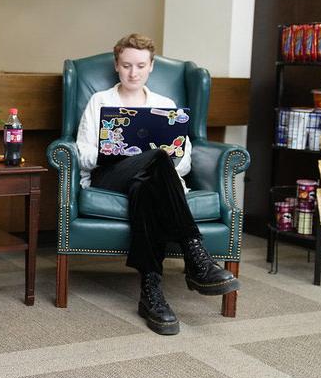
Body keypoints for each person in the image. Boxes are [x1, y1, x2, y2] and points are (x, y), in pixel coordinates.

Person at [75, 33, 240, 335]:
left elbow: (185, 160)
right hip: (110, 175)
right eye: (126, 65)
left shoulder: (166, 105)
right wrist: (116, 150)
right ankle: (196, 256)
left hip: (145, 181)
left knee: (149, 182)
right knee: (157, 158)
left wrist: (158, 159)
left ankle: (151, 293)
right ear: (117, 65)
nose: (133, 73)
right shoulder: (100, 102)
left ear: (151, 66)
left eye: (140, 65)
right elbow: (82, 154)